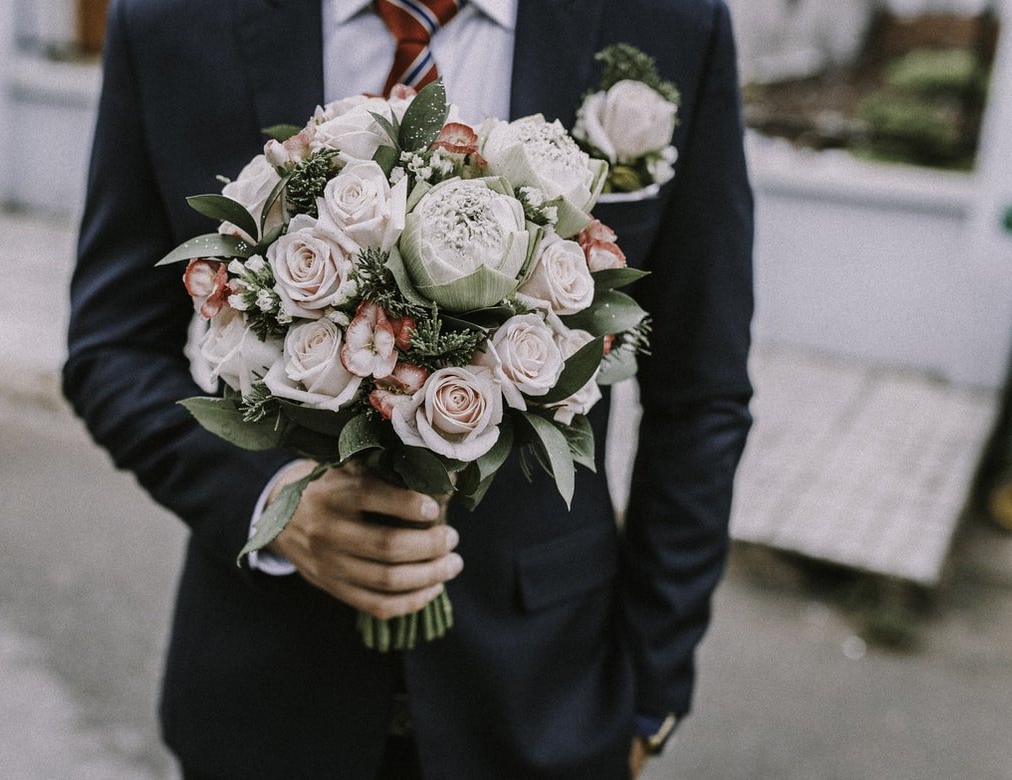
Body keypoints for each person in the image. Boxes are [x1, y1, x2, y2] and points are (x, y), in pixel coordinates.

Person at [64, 0, 754, 777]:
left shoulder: (670, 22)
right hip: (266, 699)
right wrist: (273, 504)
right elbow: (109, 349)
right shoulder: (172, 21)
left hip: (546, 702)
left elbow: (701, 394)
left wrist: (650, 701)